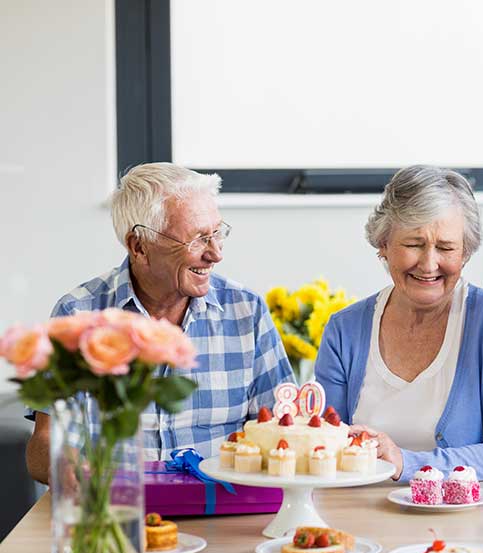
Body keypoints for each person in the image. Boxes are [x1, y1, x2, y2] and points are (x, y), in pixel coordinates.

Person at [25, 163, 293, 484]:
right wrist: (77, 477)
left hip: (222, 510)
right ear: (139, 246)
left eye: (217, 233)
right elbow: (44, 442)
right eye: (197, 239)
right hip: (117, 513)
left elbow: (283, 425)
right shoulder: (78, 314)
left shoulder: (246, 310)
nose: (216, 253)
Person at [316, 165, 483, 482]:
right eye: (413, 244)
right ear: (384, 244)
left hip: (463, 515)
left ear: (466, 252)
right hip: (360, 513)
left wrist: (406, 463)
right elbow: (324, 443)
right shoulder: (343, 329)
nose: (429, 264)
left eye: (446, 248)